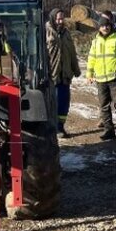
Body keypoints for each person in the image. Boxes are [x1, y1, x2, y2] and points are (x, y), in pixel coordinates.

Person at [86, 12, 116, 140]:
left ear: (111, 26)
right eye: (102, 26)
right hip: (100, 80)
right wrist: (89, 74)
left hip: (115, 79)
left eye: (107, 25)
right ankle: (109, 130)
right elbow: (91, 59)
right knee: (104, 106)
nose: (105, 28)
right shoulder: (95, 42)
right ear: (99, 27)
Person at [46, 8, 80, 138]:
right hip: (51, 75)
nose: (60, 21)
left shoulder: (66, 33)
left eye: (62, 19)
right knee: (53, 102)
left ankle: (60, 126)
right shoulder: (46, 32)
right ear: (53, 19)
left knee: (64, 102)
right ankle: (52, 128)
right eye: (58, 19)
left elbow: (72, 52)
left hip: (65, 74)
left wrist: (75, 69)